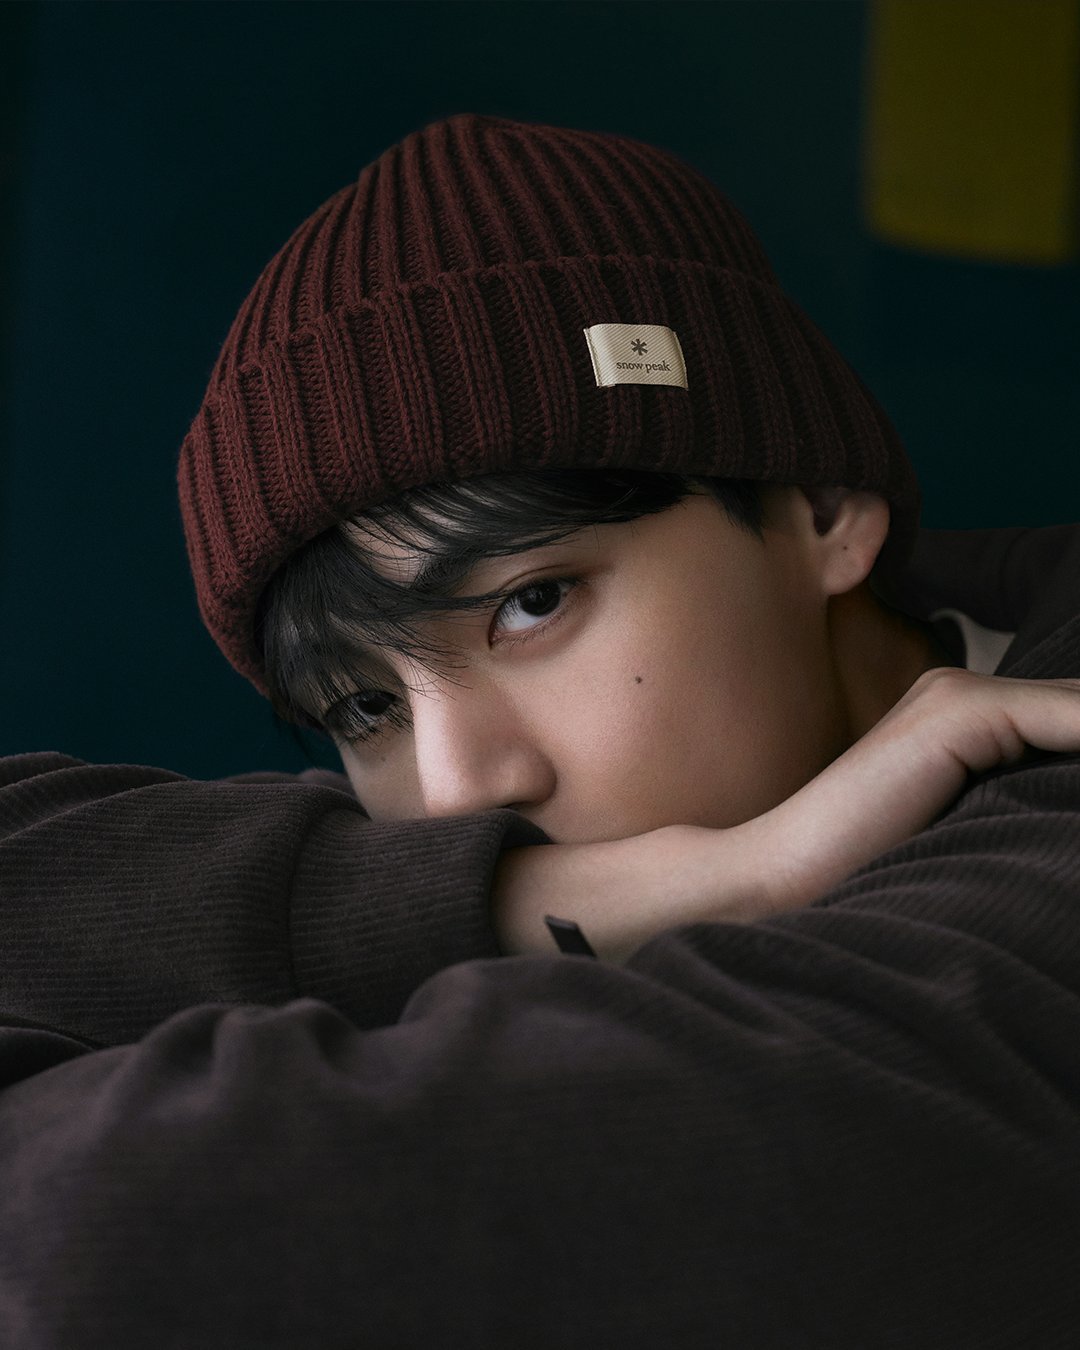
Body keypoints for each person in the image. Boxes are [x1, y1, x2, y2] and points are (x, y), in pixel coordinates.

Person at [1, 112, 1078, 1347]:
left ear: (823, 509)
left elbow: (100, 1239)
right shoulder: (498, 848)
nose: (456, 793)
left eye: (532, 603)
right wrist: (540, 895)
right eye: (365, 708)